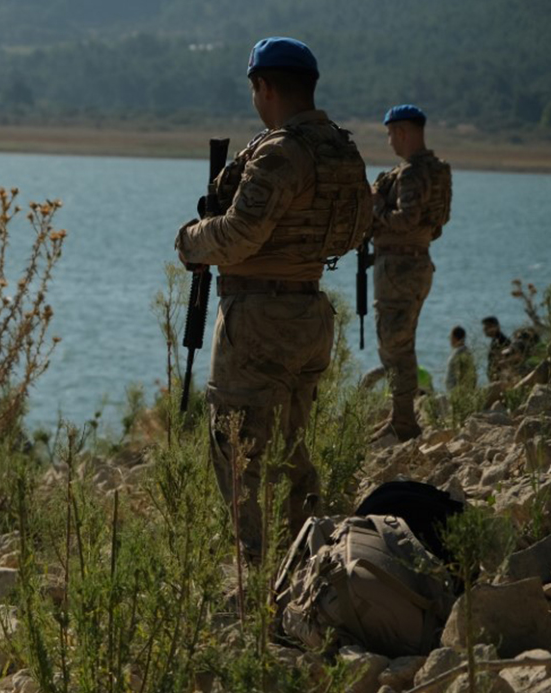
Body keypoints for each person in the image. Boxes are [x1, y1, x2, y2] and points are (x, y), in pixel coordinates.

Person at [174, 37, 372, 557]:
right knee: (292, 446)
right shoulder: (341, 148)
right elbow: (356, 232)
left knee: (236, 447)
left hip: (260, 316)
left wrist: (190, 240)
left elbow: (240, 234)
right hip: (311, 310)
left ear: (263, 86)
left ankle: (251, 570)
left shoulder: (282, 150)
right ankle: (303, 562)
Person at [369, 104, 452, 443]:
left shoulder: (411, 173)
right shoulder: (438, 170)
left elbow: (407, 219)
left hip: (399, 266)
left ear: (402, 131)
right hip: (418, 263)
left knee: (393, 344)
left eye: (391, 134)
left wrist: (374, 203)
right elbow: (437, 223)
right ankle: (400, 416)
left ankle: (403, 422)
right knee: (402, 342)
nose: (390, 142)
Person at [445, 326, 477, 393]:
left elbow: (462, 374)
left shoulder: (460, 353)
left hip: (457, 392)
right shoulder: (465, 352)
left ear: (454, 338)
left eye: (450, 338)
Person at [482, 316, 512, 382]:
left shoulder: (501, 341)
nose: (484, 330)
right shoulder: (496, 340)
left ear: (494, 327)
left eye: (486, 328)